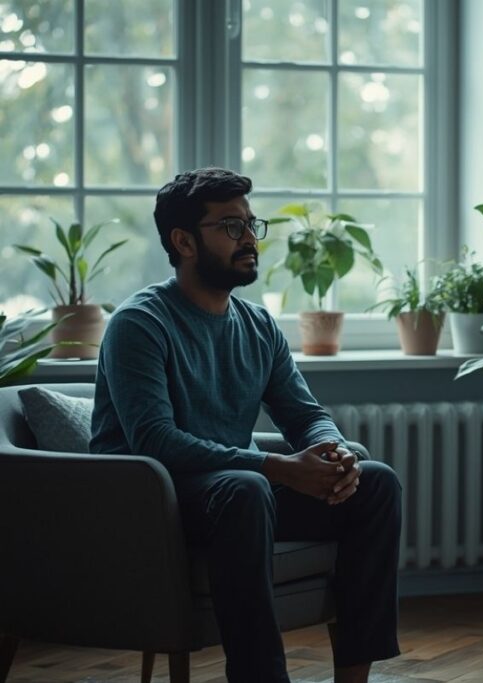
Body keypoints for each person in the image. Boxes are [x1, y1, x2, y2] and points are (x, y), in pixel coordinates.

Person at [90, 168, 401, 683]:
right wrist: (278, 467)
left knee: (376, 482)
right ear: (183, 241)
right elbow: (155, 441)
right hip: (148, 500)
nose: (250, 240)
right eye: (232, 227)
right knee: (248, 488)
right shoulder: (139, 323)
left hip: (232, 495)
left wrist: (334, 452)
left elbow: (304, 414)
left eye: (252, 225)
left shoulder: (257, 325)